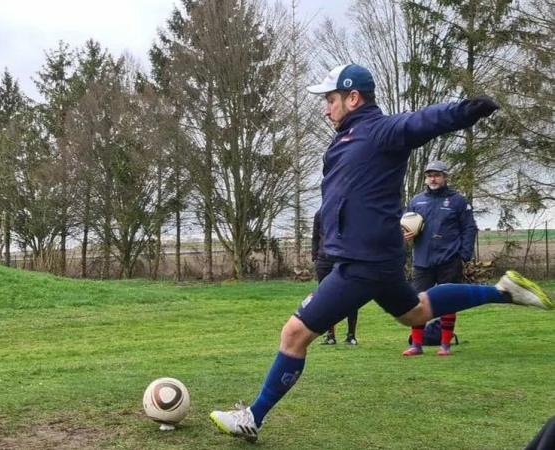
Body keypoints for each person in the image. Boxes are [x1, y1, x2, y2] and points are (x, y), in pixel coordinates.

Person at [208, 63, 553, 442]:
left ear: (353, 97)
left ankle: (252, 417)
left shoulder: (380, 131)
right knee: (417, 313)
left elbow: (422, 121)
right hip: (373, 257)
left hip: (363, 263)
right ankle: (504, 292)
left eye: (330, 99)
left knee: (293, 334)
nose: (326, 108)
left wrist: (467, 110)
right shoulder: (345, 140)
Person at [402, 160, 478, 357]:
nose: (432, 179)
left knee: (448, 302)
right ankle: (416, 345)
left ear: (445, 177)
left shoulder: (458, 201)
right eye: (429, 175)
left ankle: (445, 345)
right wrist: (405, 234)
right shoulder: (416, 201)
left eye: (436, 175)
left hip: (449, 260)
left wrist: (464, 255)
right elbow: (405, 226)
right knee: (417, 303)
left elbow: (469, 228)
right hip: (422, 261)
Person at [312, 207, 358, 345]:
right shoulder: (320, 213)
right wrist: (315, 256)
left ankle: (351, 336)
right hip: (324, 261)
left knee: (351, 297)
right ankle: (330, 335)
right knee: (326, 298)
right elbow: (315, 236)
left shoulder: (350, 212)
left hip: (345, 260)